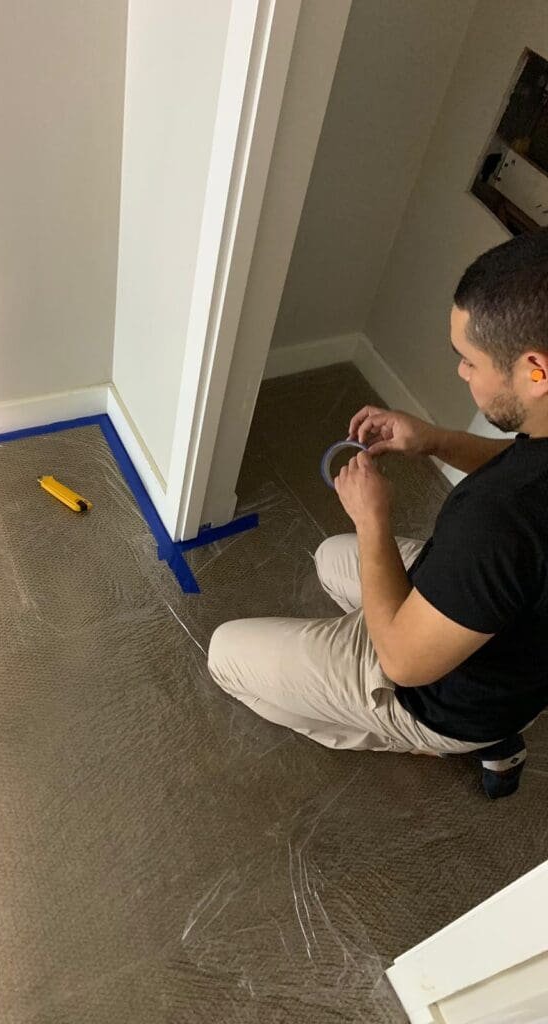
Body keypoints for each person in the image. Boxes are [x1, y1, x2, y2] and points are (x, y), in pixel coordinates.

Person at [208, 228, 548, 799]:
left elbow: (402, 662)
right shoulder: (529, 476)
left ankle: (448, 740)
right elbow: (526, 463)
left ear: (536, 370)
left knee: (226, 655)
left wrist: (373, 520)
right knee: (329, 556)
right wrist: (435, 440)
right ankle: (488, 726)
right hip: (517, 649)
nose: (462, 373)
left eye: (469, 361)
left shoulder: (498, 521)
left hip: (444, 697)